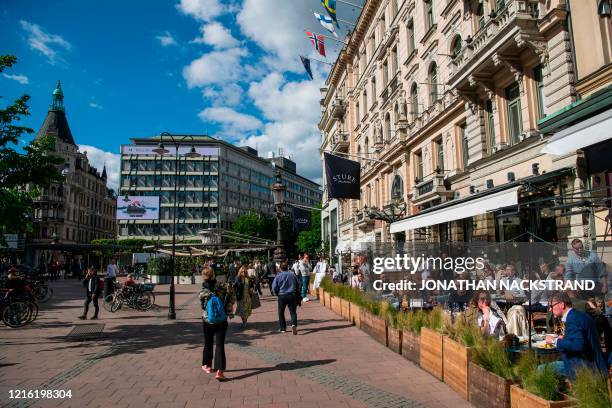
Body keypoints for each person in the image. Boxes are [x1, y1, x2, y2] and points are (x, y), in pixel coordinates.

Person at [545, 292, 608, 381]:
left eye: (552, 306)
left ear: (562, 305)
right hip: (594, 363)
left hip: (587, 367)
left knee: (541, 369)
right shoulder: (577, 315)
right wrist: (565, 339)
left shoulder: (573, 319)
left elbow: (578, 346)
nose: (550, 310)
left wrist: (554, 341)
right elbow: (581, 340)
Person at [199, 266, 235, 381]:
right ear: (214, 275)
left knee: (208, 343)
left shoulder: (203, 291)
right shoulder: (222, 286)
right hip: (221, 319)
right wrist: (229, 311)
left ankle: (207, 366)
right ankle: (219, 371)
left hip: (207, 320)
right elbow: (231, 298)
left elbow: (203, 306)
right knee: (219, 345)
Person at [271, 261, 300, 335]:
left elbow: (274, 287)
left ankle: (283, 328)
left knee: (281, 312)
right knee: (293, 311)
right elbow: (298, 284)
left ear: (280, 268)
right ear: (287, 267)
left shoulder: (278, 276)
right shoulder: (292, 275)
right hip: (291, 295)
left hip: (282, 295)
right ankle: (293, 324)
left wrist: (277, 293)